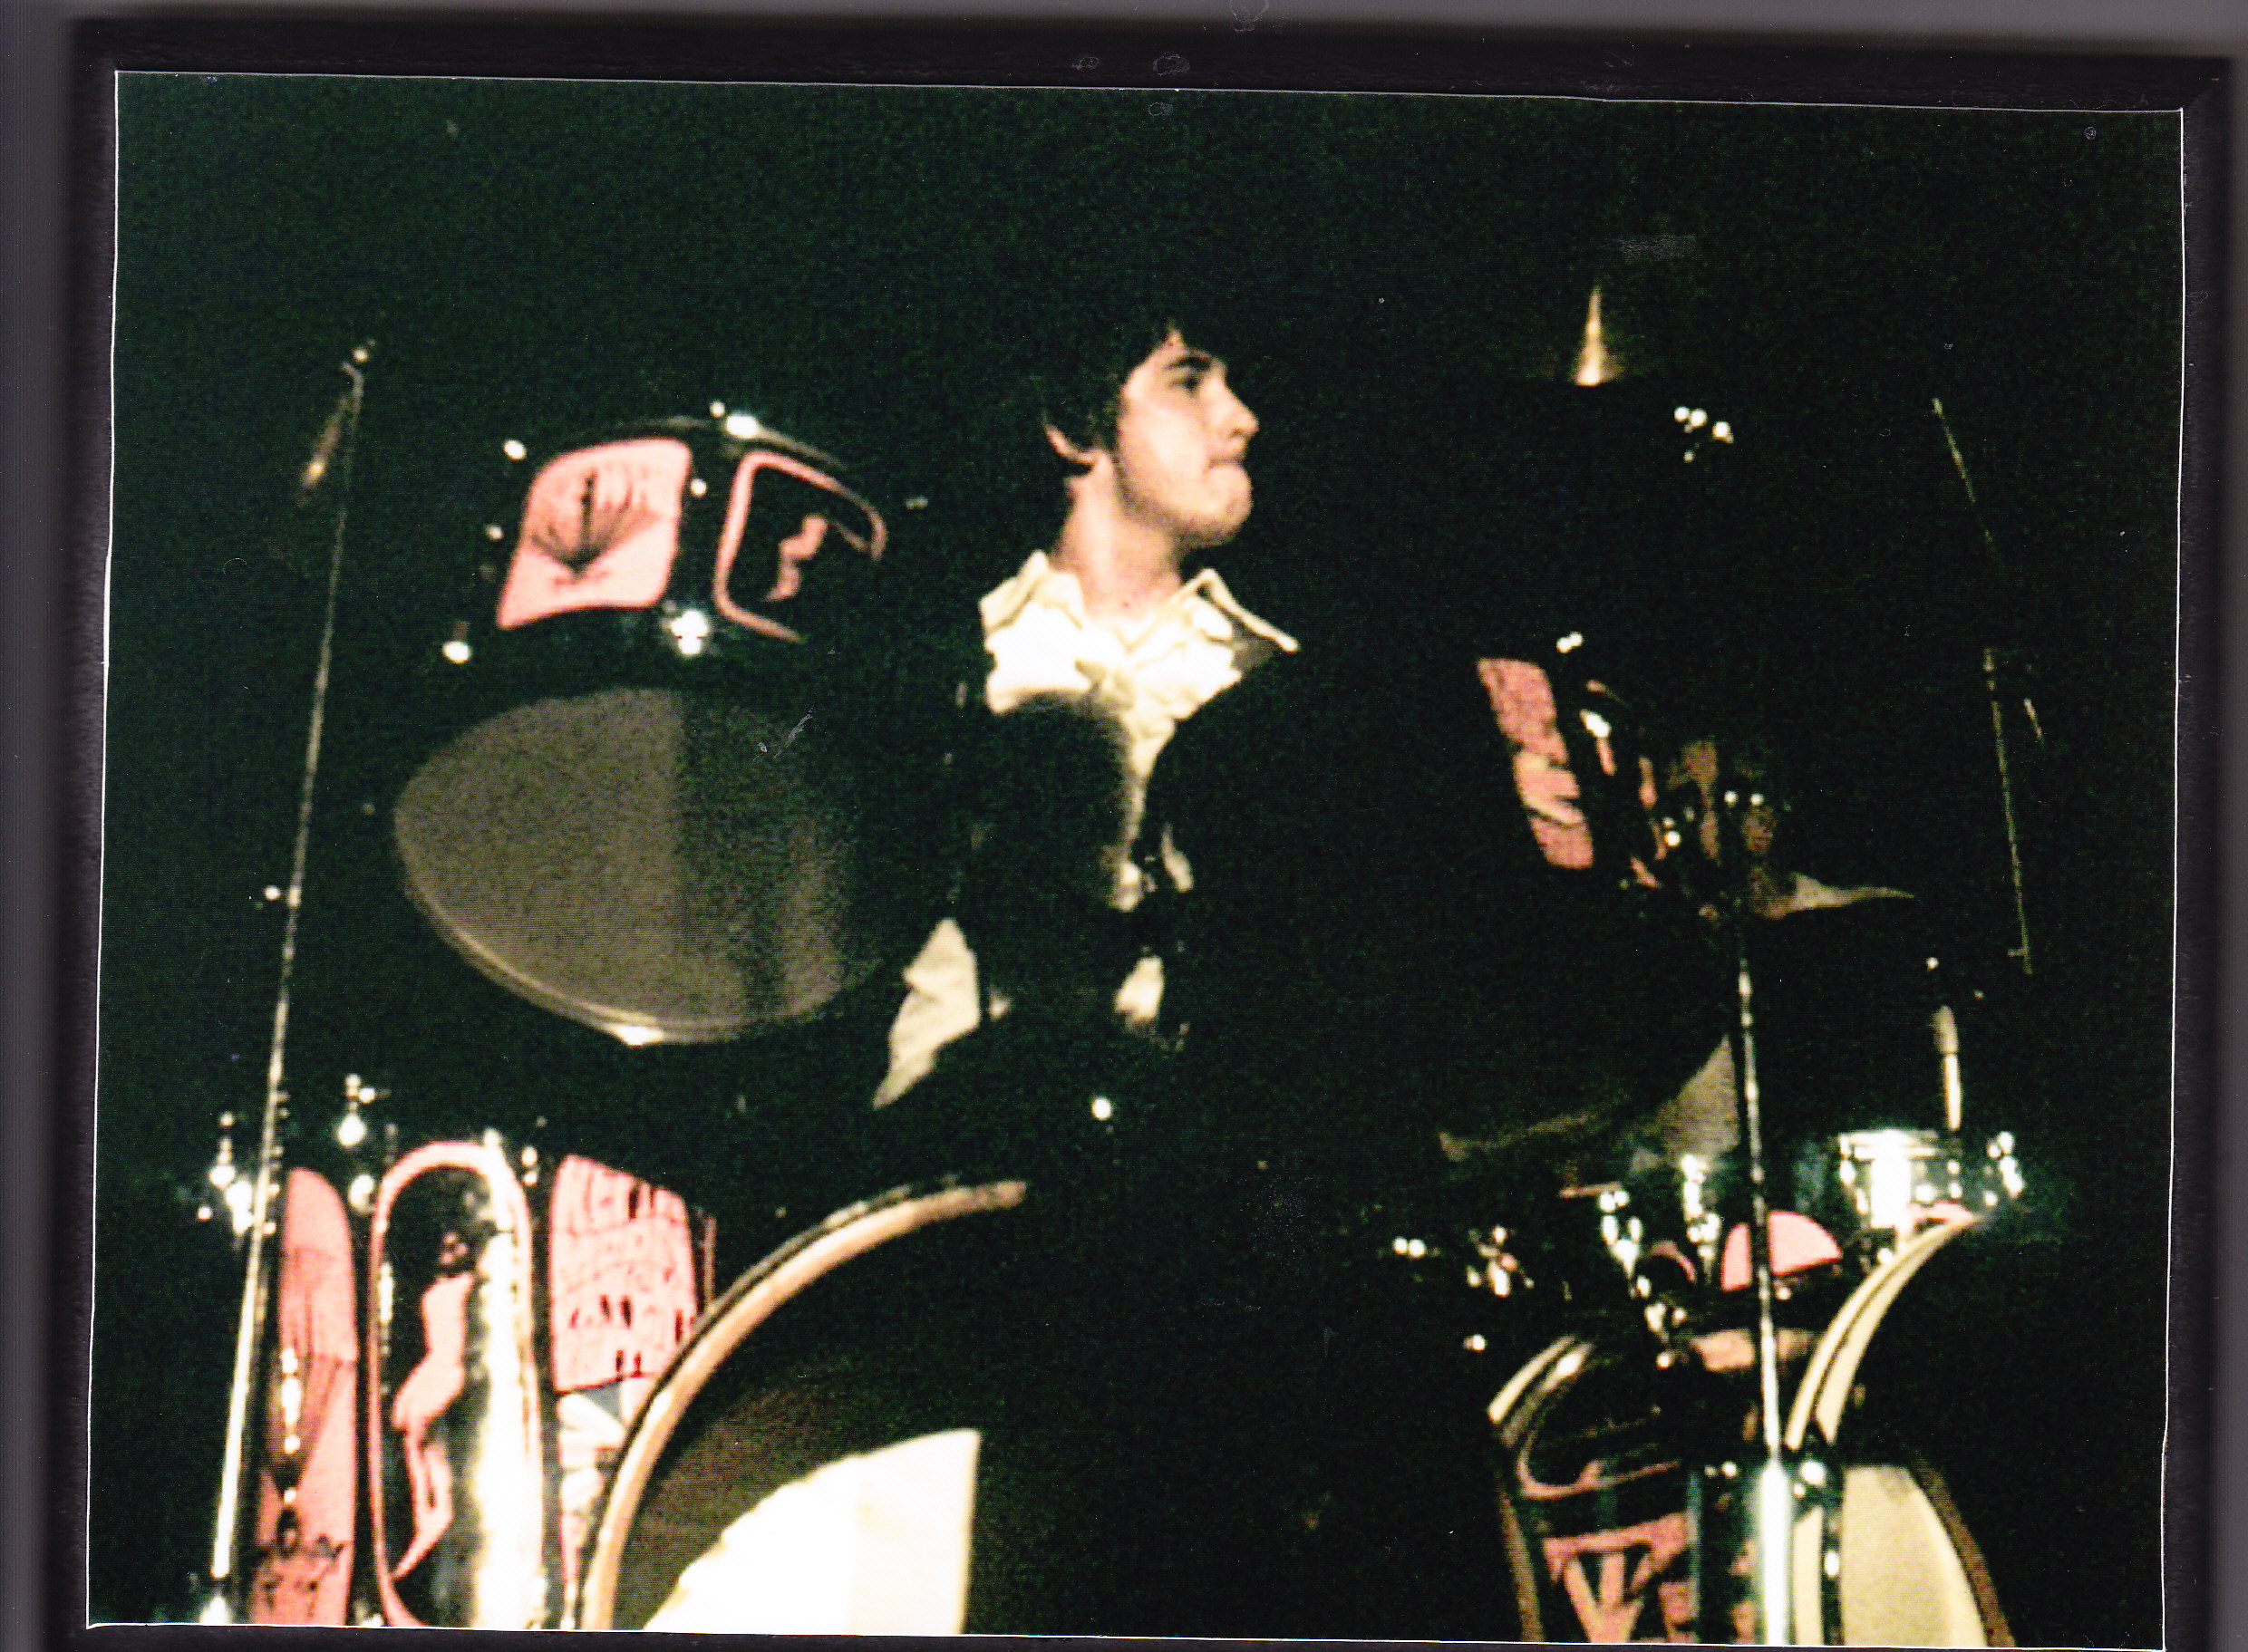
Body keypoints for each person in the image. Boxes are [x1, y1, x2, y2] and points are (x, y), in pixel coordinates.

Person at [872, 313, 1296, 1108]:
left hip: (1207, 1151)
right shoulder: (949, 662)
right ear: (1074, 428)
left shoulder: (1278, 684)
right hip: (959, 1146)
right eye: (1188, 380)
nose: (1241, 416)